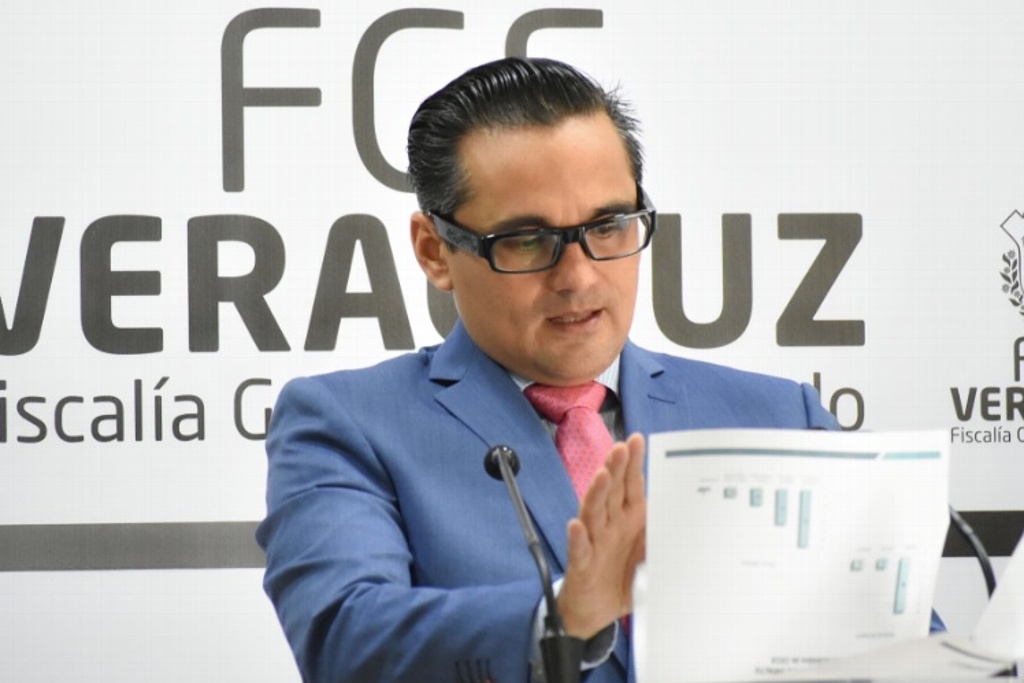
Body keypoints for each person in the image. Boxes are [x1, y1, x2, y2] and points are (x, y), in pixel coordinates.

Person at [256, 57, 841, 683]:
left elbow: (889, 632)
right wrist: (564, 614)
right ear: (435, 251)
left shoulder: (783, 420)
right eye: (527, 240)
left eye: (609, 226)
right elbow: (346, 640)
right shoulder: (348, 423)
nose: (579, 277)